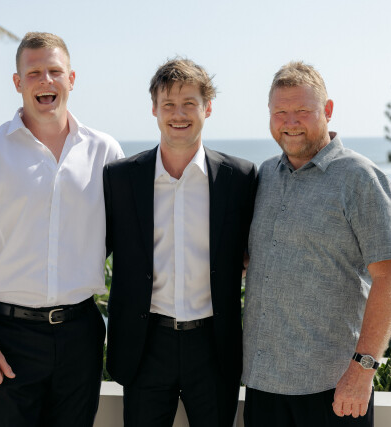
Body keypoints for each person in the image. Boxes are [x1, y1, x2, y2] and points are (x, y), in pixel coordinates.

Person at [0, 32, 124, 427]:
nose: (46, 80)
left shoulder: (105, 151)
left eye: (55, 71)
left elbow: (128, 236)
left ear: (71, 79)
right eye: (34, 72)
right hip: (7, 336)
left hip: (81, 334)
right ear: (17, 82)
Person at [242, 61, 391, 427]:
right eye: (280, 112)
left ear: (328, 110)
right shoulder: (265, 175)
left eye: (303, 110)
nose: (290, 122)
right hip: (262, 383)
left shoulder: (361, 178)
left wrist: (363, 371)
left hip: (334, 388)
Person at [103, 58, 257, 427]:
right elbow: (92, 246)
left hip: (213, 347)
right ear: (154, 108)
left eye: (190, 103)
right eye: (168, 104)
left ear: (208, 107)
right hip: (145, 346)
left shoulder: (240, 177)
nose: (178, 114)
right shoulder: (119, 178)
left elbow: (256, 249)